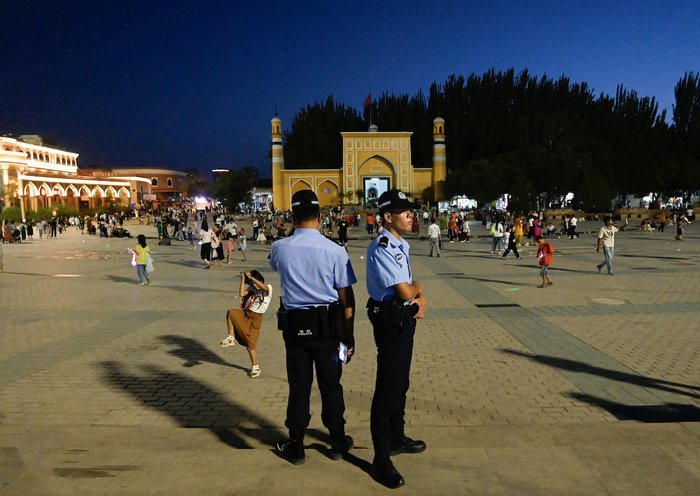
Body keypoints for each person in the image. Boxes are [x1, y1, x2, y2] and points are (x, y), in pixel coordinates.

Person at [269, 189, 357, 465]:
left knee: (299, 385)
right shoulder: (335, 250)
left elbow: (275, 267)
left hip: (296, 330)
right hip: (330, 331)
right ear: (320, 216)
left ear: (292, 216)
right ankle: (338, 440)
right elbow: (347, 298)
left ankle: (296, 443)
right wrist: (348, 336)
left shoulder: (280, 248)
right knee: (331, 384)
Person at [366, 189, 428, 489]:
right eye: (405, 212)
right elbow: (404, 290)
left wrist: (418, 295)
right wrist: (418, 289)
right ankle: (381, 456)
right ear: (388, 217)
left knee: (400, 381)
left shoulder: (400, 244)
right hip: (390, 321)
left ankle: (396, 436)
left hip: (403, 318)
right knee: (387, 385)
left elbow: (410, 291)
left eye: (411, 211)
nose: (410, 215)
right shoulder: (383, 245)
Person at [220, 270, 272, 378]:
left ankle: (255, 367)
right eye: (252, 284)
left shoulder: (268, 288)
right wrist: (243, 279)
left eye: (255, 283)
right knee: (231, 313)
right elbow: (241, 293)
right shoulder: (252, 288)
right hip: (246, 314)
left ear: (260, 280)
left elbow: (264, 288)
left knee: (250, 345)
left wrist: (252, 278)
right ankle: (230, 337)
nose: (254, 286)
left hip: (256, 319)